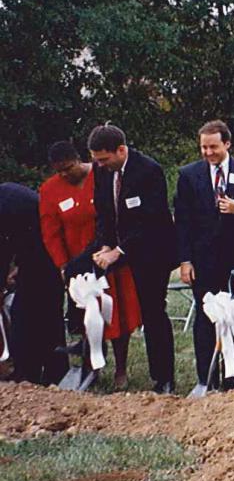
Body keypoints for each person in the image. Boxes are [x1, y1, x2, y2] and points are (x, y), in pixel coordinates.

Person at [38, 142, 140, 388]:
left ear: (79, 159)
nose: (65, 174)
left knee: (117, 314)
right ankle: (91, 366)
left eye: (69, 168)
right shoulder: (50, 190)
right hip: (77, 263)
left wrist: (112, 250)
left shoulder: (103, 174)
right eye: (59, 171)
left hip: (108, 256)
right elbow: (50, 232)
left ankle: (121, 369)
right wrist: (63, 265)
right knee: (87, 316)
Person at [86, 125, 179, 393]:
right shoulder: (101, 172)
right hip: (117, 246)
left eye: (104, 159)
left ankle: (164, 378)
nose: (100, 165)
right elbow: (104, 211)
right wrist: (105, 244)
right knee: (86, 284)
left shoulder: (148, 171)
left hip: (152, 251)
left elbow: (149, 221)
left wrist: (119, 252)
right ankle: (93, 366)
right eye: (96, 160)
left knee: (152, 312)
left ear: (121, 150)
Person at [174, 121, 234, 390]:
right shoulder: (188, 175)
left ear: (227, 144)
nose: (208, 152)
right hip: (202, 261)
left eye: (213, 147)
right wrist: (185, 260)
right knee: (206, 320)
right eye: (204, 147)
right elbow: (182, 221)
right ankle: (206, 379)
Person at [0, 183, 65, 385]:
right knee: (44, 315)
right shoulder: (9, 193)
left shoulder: (8, 203)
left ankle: (32, 373)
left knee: (29, 316)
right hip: (40, 253)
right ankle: (49, 370)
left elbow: (3, 251)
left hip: (45, 255)